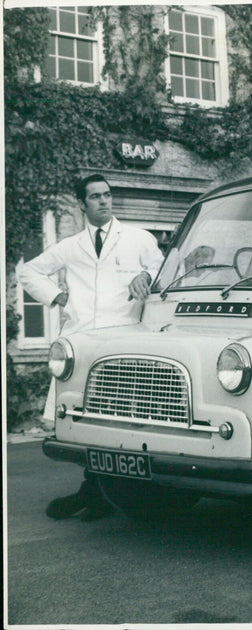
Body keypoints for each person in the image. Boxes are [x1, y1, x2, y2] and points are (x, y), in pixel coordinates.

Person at [18, 173, 164, 521]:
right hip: (83, 344)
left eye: (108, 195)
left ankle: (100, 493)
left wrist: (146, 277)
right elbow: (29, 273)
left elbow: (164, 270)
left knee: (120, 423)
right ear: (82, 204)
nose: (104, 201)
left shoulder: (138, 239)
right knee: (85, 422)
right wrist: (59, 296)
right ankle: (95, 492)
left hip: (124, 342)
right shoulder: (71, 246)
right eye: (96, 196)